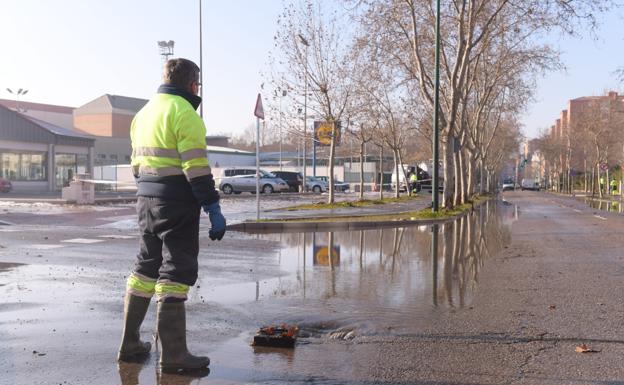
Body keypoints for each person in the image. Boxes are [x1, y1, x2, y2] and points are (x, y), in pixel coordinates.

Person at [117, 58, 225, 373]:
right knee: (177, 272)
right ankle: (174, 355)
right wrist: (212, 206)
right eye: (198, 84)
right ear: (192, 85)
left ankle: (130, 344)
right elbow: (196, 167)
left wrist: (151, 193)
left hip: (146, 201)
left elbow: (136, 165)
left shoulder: (143, 114)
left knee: (145, 268)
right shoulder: (185, 114)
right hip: (177, 203)